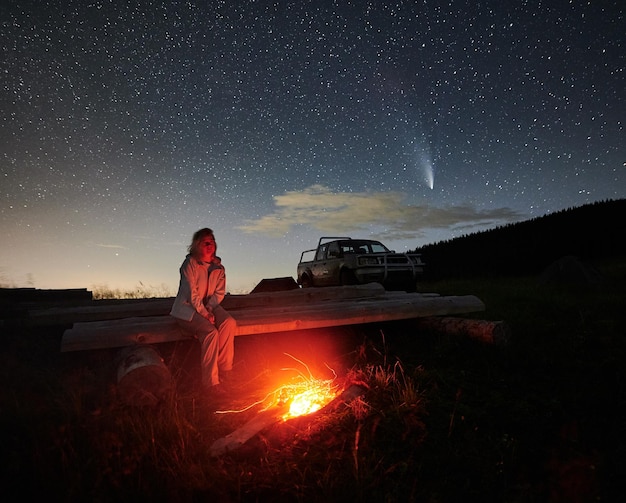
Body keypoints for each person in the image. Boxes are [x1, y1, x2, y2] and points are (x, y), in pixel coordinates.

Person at [170, 228, 236, 394]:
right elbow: (192, 293)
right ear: (197, 245)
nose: (210, 245)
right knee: (210, 333)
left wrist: (210, 308)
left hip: (208, 306)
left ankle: (225, 369)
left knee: (229, 323)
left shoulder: (218, 268)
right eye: (205, 242)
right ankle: (211, 383)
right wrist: (205, 314)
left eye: (212, 242)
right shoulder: (190, 264)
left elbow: (219, 293)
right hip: (186, 310)